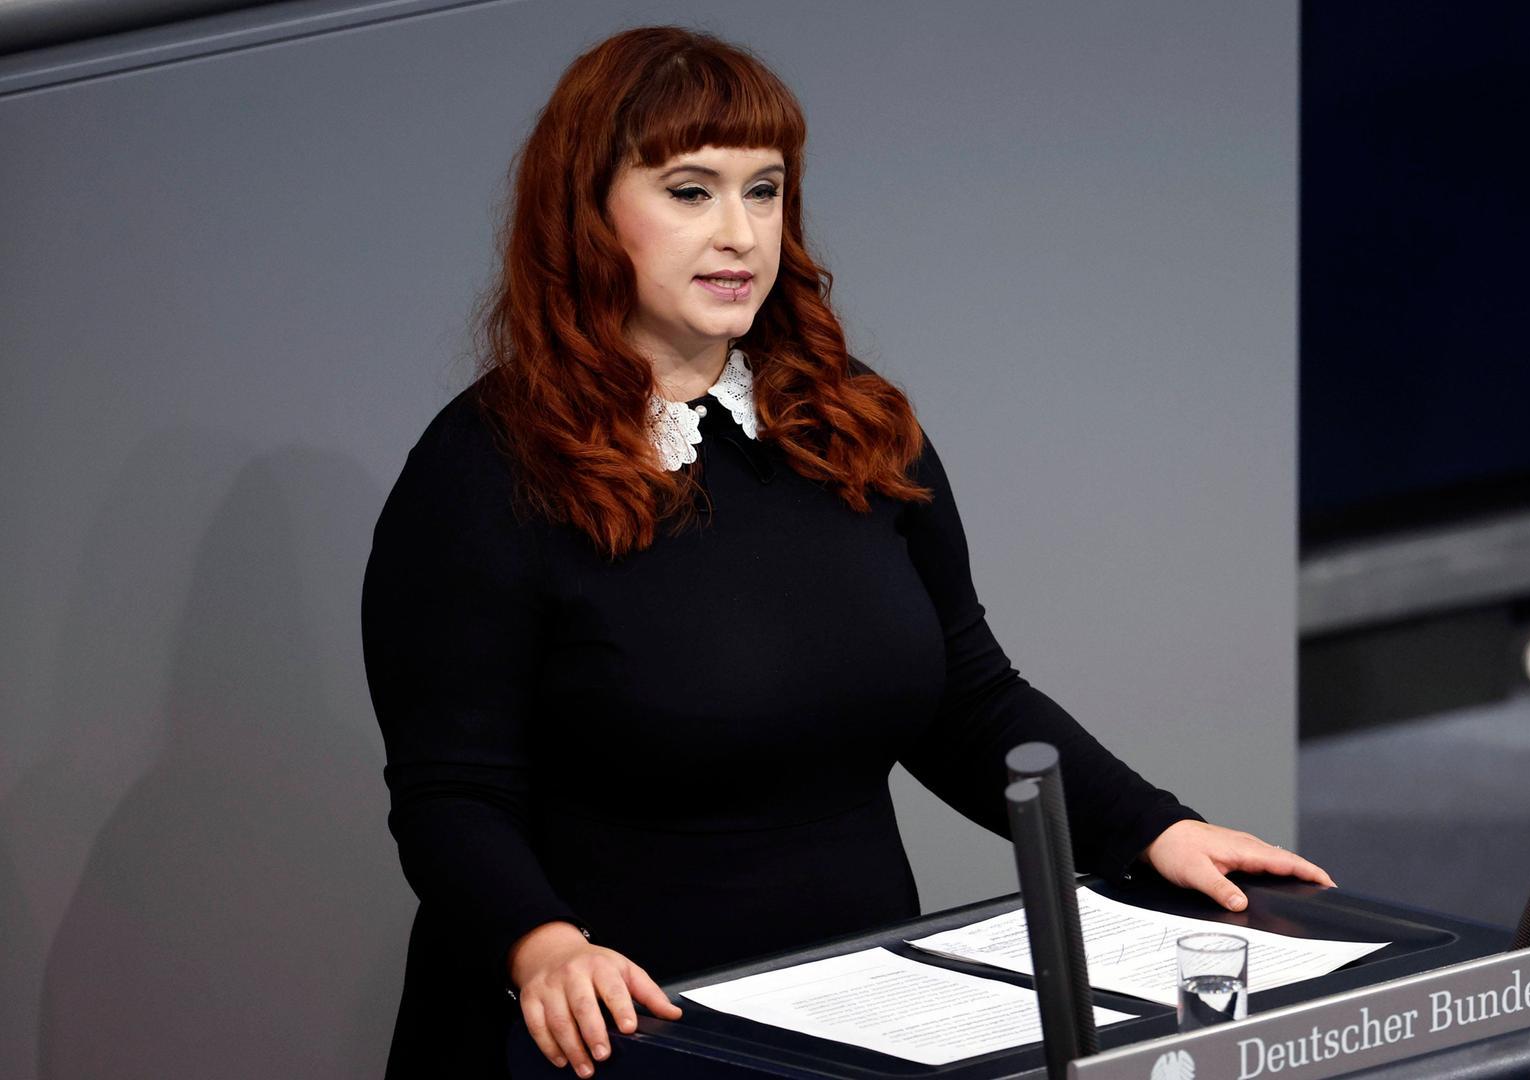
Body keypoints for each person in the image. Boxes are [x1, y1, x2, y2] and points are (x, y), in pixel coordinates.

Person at [361, 25, 1332, 1080]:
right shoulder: (484, 470)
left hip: (854, 1014)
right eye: (691, 192)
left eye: (764, 190)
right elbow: (451, 795)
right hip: (617, 1031)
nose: (739, 233)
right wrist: (543, 946)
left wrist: (1152, 830)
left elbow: (966, 698)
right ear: (587, 211)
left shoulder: (847, 419)